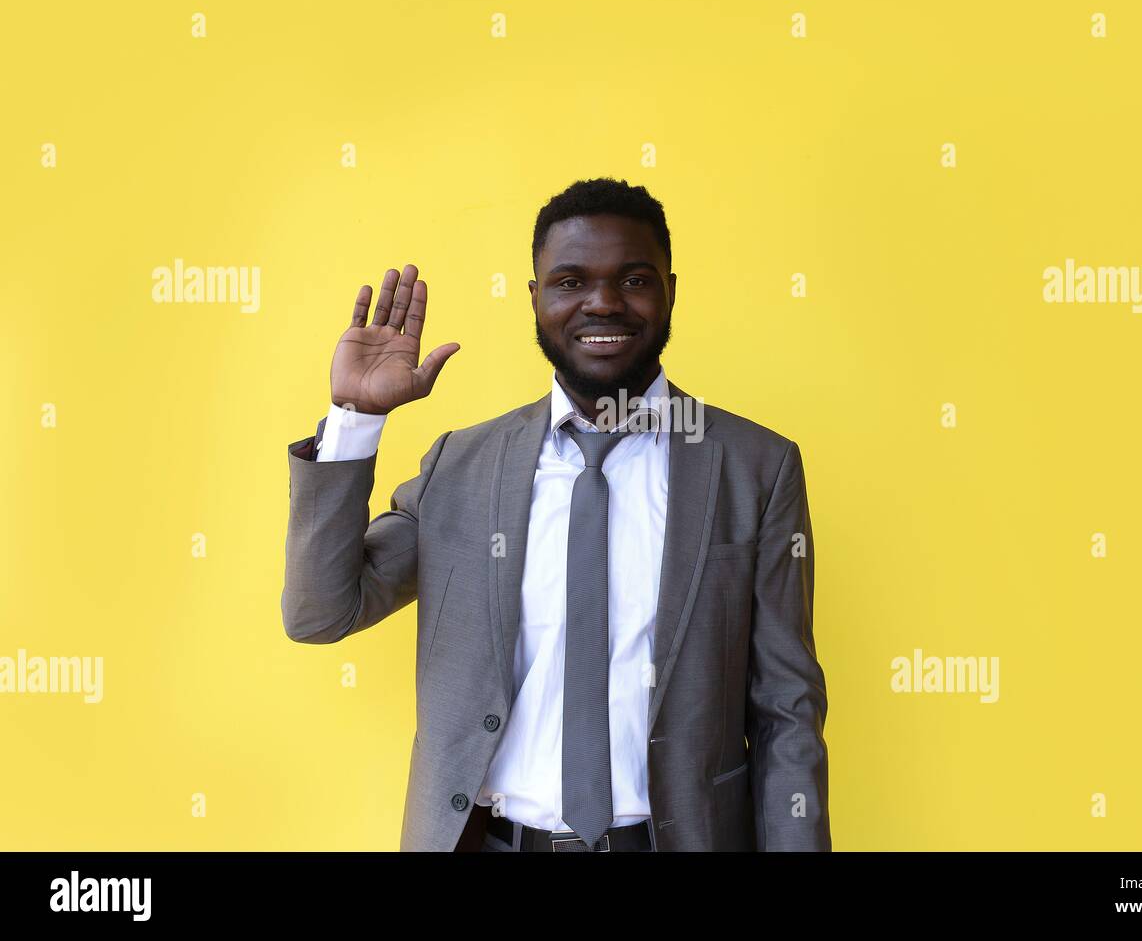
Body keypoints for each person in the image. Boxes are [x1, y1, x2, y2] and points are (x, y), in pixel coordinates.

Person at [281, 177, 830, 851]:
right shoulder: (462, 467)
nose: (602, 303)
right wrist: (355, 421)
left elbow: (787, 711)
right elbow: (319, 613)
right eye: (570, 282)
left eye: (633, 279)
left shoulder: (754, 467)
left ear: (670, 292)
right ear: (536, 298)